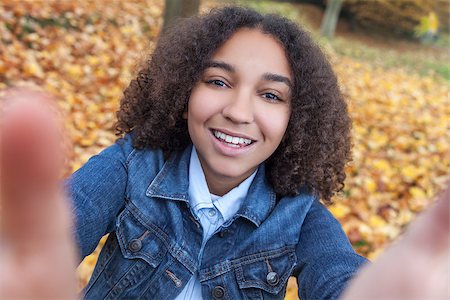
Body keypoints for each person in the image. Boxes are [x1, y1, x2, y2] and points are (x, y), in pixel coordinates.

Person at [0, 6, 448, 300]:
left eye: (271, 96)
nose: (238, 112)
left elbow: (336, 273)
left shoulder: (299, 215)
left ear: (299, 117)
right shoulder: (133, 163)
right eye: (218, 82)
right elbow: (55, 229)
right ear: (183, 88)